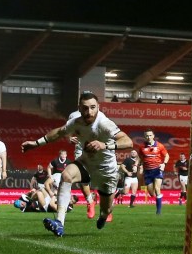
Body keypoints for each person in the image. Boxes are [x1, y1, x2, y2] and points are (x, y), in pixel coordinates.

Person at [22, 92, 133, 237]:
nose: (89, 112)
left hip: (106, 171)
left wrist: (104, 145)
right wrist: (36, 143)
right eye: (85, 108)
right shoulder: (76, 122)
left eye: (93, 107)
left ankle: (103, 216)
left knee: (106, 210)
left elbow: (128, 141)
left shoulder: (104, 123)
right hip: (86, 163)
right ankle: (60, 223)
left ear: (98, 107)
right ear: (79, 108)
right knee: (66, 175)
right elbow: (59, 132)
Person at [137, 129, 169, 215]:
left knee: (157, 189)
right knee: (152, 193)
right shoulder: (141, 147)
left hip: (157, 170)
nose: (148, 137)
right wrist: (139, 165)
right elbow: (140, 157)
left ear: (153, 136)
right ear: (144, 137)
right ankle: (157, 191)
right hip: (147, 171)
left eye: (150, 135)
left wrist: (164, 164)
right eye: (147, 135)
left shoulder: (159, 146)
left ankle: (158, 212)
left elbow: (166, 155)